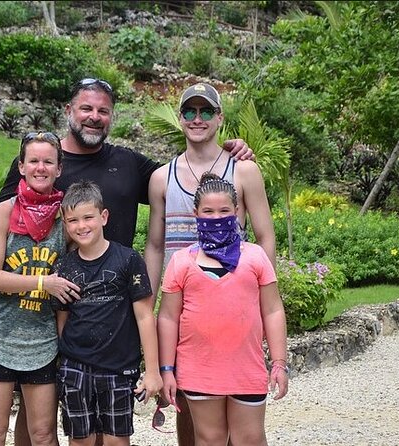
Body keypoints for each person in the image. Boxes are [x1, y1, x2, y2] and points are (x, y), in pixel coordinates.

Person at [0, 78, 255, 446]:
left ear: (111, 117)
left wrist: (229, 152)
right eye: (86, 108)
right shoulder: (44, 163)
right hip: (54, 299)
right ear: (69, 111)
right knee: (41, 408)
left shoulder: (129, 163)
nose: (94, 117)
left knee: (113, 420)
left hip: (118, 304)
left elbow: (184, 174)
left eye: (103, 110)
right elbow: (2, 217)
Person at [144, 82, 277, 446]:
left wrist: (266, 303)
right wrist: (147, 307)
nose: (197, 119)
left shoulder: (245, 171)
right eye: (189, 111)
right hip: (184, 309)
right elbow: (155, 245)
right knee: (190, 414)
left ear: (220, 118)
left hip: (233, 306)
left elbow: (265, 238)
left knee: (244, 424)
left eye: (206, 112)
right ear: (180, 118)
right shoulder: (161, 177)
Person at [157, 173, 288, 446]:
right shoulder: (181, 262)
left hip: (246, 368)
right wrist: (167, 369)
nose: (216, 218)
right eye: (208, 211)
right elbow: (168, 317)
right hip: (199, 369)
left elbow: (273, 310)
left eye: (224, 211)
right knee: (209, 438)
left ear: (237, 211)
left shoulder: (255, 256)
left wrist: (279, 363)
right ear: (196, 213)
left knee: (250, 438)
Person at [0, 132, 80, 446]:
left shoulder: (65, 217)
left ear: (59, 169)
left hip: (43, 342)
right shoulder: (4, 211)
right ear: (21, 166)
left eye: (48, 161)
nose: (40, 167)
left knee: (44, 434)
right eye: (33, 161)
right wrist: (45, 283)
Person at [52, 180, 162, 446]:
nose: (81, 226)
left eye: (88, 217)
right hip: (75, 367)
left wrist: (153, 371)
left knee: (116, 440)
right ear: (65, 225)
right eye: (73, 220)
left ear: (103, 217)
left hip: (119, 366)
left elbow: (145, 315)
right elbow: (62, 318)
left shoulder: (128, 260)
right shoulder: (65, 266)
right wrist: (62, 360)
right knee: (80, 439)